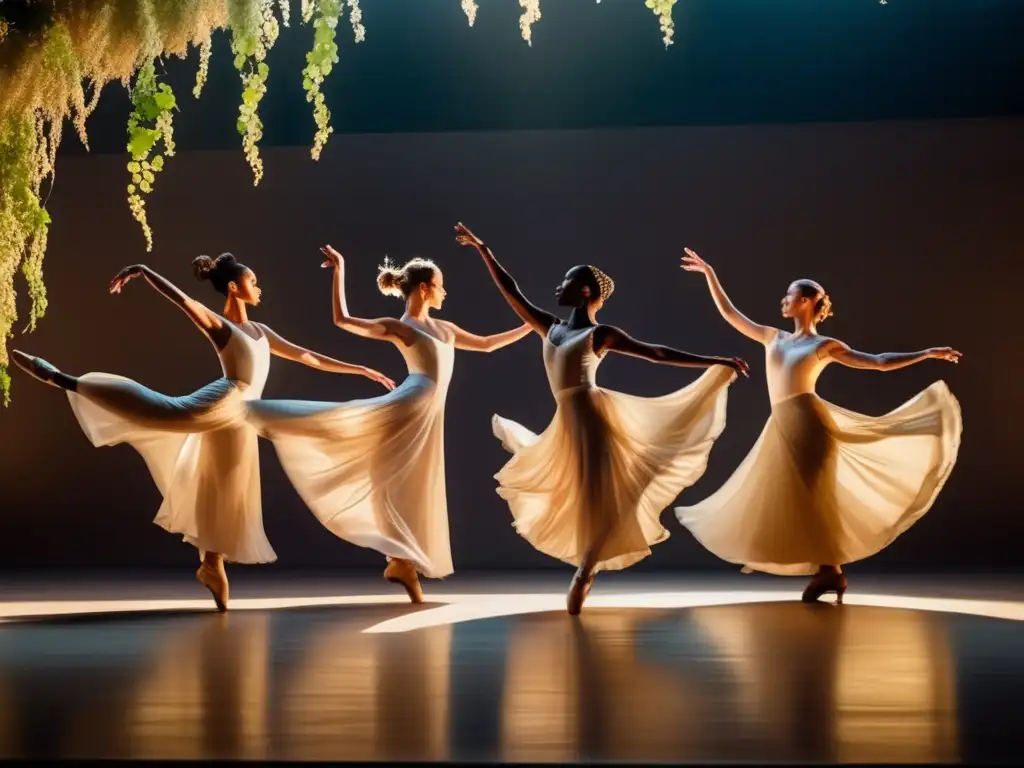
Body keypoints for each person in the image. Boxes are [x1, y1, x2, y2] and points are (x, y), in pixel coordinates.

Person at [12, 253, 394, 610]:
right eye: (253, 281)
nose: (259, 288)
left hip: (242, 415)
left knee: (226, 484)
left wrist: (358, 369)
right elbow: (182, 301)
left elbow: (306, 355)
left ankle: (211, 565)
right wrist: (143, 271)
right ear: (233, 287)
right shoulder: (222, 327)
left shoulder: (261, 330)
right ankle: (64, 379)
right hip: (226, 399)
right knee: (164, 410)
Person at [455, 223, 750, 614]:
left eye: (567, 280)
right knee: (572, 491)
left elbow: (656, 353)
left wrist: (716, 361)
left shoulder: (600, 334)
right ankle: (588, 563)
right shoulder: (551, 327)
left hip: (593, 417)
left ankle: (586, 568)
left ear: (586, 292)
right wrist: (484, 250)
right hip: (566, 420)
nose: (558, 286)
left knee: (600, 493)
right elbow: (512, 292)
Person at [674, 247, 962, 603]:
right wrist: (709, 274)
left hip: (809, 424)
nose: (784, 299)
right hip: (782, 424)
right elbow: (731, 314)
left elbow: (879, 362)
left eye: (791, 295)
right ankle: (831, 572)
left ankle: (831, 570)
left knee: (814, 495)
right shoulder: (773, 337)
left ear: (808, 302)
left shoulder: (825, 345)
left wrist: (927, 353)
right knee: (799, 498)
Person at [247, 245, 531, 603]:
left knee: (412, 483)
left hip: (428, 412)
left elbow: (488, 345)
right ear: (425, 287)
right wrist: (341, 270)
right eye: (440, 285)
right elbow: (344, 321)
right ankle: (398, 558)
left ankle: (401, 562)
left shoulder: (444, 328)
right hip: (411, 404)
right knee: (387, 471)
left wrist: (528, 326)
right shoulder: (401, 327)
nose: (445, 292)